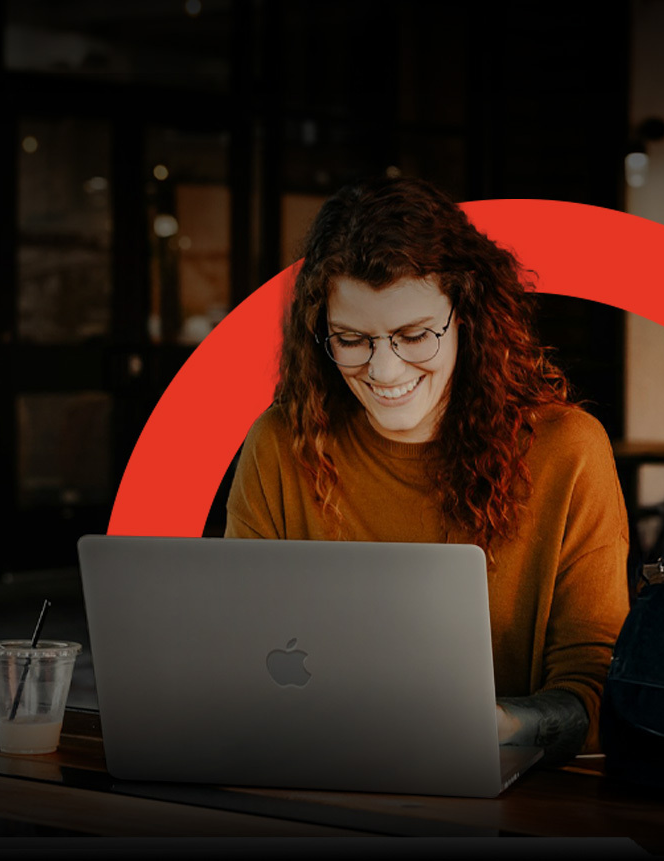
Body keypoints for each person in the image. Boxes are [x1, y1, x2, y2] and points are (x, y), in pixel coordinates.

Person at [225, 176, 631, 766]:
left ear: (468, 318)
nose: (385, 370)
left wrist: (498, 724)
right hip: (311, 768)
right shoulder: (281, 444)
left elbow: (598, 692)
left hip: (509, 792)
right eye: (352, 339)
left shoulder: (567, 452)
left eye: (414, 335)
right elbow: (235, 650)